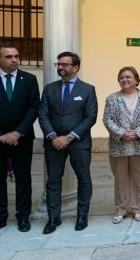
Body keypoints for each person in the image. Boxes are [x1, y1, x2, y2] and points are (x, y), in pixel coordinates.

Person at [39, 51, 98, 234]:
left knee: (84, 179)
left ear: (76, 67)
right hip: (53, 142)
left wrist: (69, 136)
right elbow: (43, 114)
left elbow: (90, 117)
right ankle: (53, 218)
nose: (60, 67)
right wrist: (52, 136)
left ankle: (82, 216)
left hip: (79, 143)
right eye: (59, 64)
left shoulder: (88, 89)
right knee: (53, 181)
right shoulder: (50, 88)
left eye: (64, 64)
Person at [0, 45, 40, 233]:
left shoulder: (29, 79)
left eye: (17, 56)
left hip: (22, 138)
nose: (14, 60)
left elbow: (34, 107)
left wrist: (17, 132)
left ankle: (23, 216)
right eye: (9, 57)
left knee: (23, 178)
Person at [103, 67, 140, 224]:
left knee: (138, 178)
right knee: (120, 178)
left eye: (128, 77)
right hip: (119, 145)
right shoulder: (112, 99)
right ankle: (121, 209)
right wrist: (121, 133)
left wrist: (138, 133)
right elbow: (107, 119)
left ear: (136, 80)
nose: (124, 80)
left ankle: (137, 208)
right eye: (121, 77)